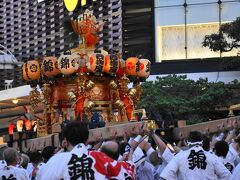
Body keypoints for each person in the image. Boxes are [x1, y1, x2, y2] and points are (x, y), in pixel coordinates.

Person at [37, 121, 135, 179]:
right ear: (87, 140)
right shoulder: (99, 157)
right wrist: (130, 158)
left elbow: (41, 176)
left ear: (65, 141)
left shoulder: (57, 160)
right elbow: (126, 174)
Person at [160, 131, 231, 180]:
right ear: (202, 143)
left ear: (187, 143)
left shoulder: (179, 157)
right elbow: (227, 175)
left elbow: (166, 175)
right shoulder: (212, 157)